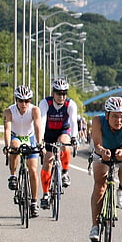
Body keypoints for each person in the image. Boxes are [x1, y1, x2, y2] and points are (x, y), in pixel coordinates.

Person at [89, 97, 122, 242]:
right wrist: (102, 151)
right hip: (102, 151)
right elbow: (97, 145)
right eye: (115, 116)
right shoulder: (98, 121)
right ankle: (95, 226)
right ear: (107, 115)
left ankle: (121, 190)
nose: (119, 120)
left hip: (121, 151)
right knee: (100, 185)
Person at [3, 86, 43, 218]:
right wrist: (7, 145)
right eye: (21, 101)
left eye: (27, 101)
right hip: (16, 136)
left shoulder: (34, 110)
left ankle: (34, 202)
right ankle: (13, 175)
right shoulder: (9, 111)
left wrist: (40, 144)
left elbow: (37, 127)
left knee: (33, 170)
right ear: (16, 100)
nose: (24, 104)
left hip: (29, 138)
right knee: (14, 146)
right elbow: (7, 130)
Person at [39, 78, 78, 209]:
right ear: (53, 93)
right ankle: (45, 194)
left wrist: (74, 138)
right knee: (47, 161)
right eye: (58, 93)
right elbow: (42, 120)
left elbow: (73, 121)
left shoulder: (70, 104)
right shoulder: (45, 103)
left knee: (64, 142)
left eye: (64, 93)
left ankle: (65, 172)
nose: (61, 96)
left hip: (63, 131)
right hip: (48, 132)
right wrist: (41, 140)